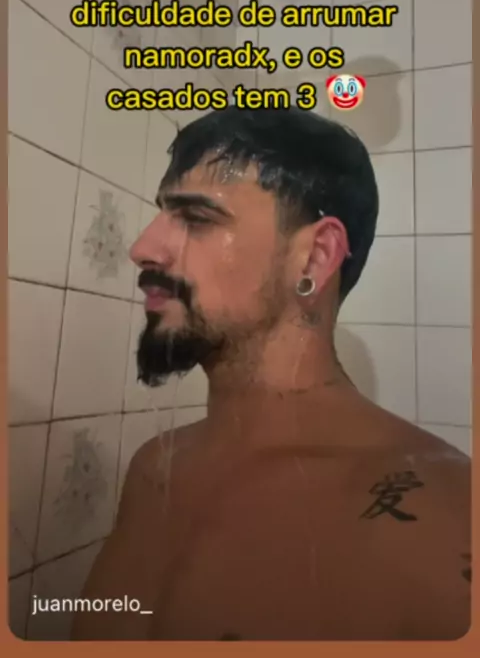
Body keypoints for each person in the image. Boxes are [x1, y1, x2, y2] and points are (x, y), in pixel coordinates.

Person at [72, 108, 471, 641]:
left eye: (196, 218)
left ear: (314, 258)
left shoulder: (446, 514)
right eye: (162, 213)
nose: (142, 248)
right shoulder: (155, 470)